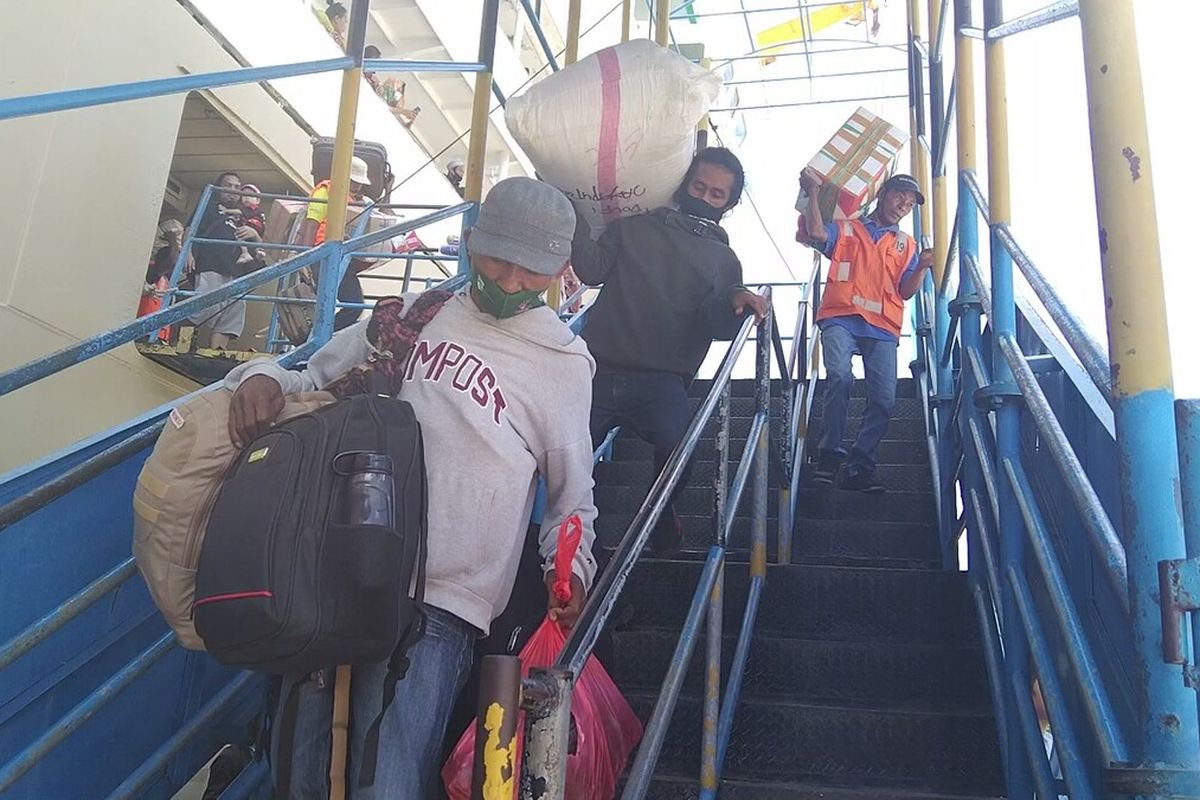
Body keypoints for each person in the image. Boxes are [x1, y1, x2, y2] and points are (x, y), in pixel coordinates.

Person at [223, 176, 599, 798]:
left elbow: (571, 496)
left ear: (560, 267)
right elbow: (315, 373)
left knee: (389, 782)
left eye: (530, 270)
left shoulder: (563, 363)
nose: (509, 281)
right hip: (338, 567)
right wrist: (260, 375)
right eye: (497, 258)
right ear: (472, 244)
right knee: (303, 770)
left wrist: (571, 569)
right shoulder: (422, 314)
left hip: (444, 602)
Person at [572, 147, 768, 553]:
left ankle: (660, 515)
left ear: (728, 205)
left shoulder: (724, 260)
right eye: (699, 186)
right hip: (596, 369)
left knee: (682, 446)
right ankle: (565, 541)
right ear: (683, 185)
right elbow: (591, 268)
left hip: (661, 380)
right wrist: (570, 204)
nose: (705, 198)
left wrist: (737, 302)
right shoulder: (633, 228)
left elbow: (715, 323)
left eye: (717, 195)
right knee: (563, 463)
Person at [797, 169, 934, 493]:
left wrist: (925, 266)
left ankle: (860, 465)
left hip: (883, 327)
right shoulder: (847, 228)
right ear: (884, 193)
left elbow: (906, 291)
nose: (904, 204)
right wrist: (813, 192)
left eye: (911, 202)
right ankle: (829, 456)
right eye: (900, 194)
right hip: (840, 314)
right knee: (840, 377)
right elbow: (816, 232)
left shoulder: (907, 245)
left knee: (885, 400)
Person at [187, 171, 264, 350]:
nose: (233, 190)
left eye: (237, 187)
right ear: (219, 188)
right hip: (211, 265)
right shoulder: (209, 206)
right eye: (228, 186)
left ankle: (218, 352)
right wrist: (188, 254)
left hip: (237, 272)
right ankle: (182, 343)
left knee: (230, 317)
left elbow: (261, 245)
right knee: (201, 308)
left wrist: (255, 234)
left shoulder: (244, 215)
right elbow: (190, 228)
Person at [298, 156, 373, 331]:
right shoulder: (325, 191)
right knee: (347, 304)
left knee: (352, 305)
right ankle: (320, 339)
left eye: (359, 183)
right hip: (322, 254)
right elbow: (311, 224)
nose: (357, 186)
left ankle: (322, 338)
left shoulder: (359, 201)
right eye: (354, 181)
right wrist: (307, 260)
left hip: (341, 256)